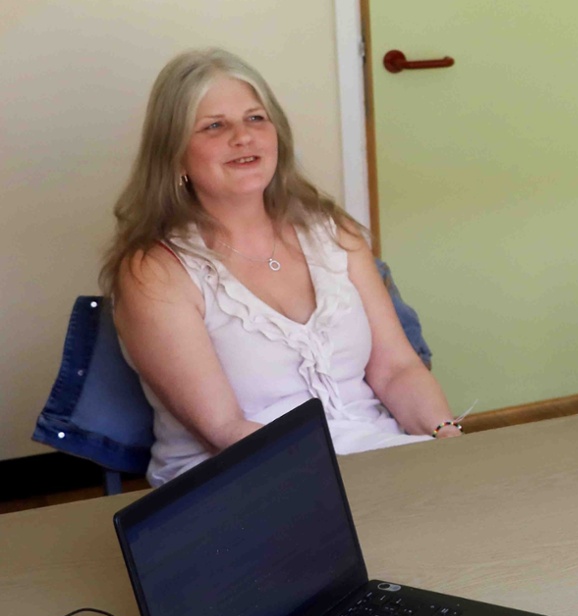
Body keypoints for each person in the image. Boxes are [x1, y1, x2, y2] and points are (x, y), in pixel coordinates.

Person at [103, 49, 462, 487]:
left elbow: (397, 370)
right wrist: (361, 488)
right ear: (175, 155)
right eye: (215, 126)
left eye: (256, 118)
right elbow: (224, 431)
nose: (243, 137)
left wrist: (446, 440)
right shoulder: (155, 273)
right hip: (243, 479)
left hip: (373, 457)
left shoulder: (334, 232)